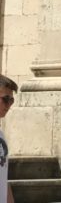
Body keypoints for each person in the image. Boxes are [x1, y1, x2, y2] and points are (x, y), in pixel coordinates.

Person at [0, 75, 18, 203]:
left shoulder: (1, 136)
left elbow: (3, 176)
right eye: (6, 99)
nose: (9, 105)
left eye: (11, 100)